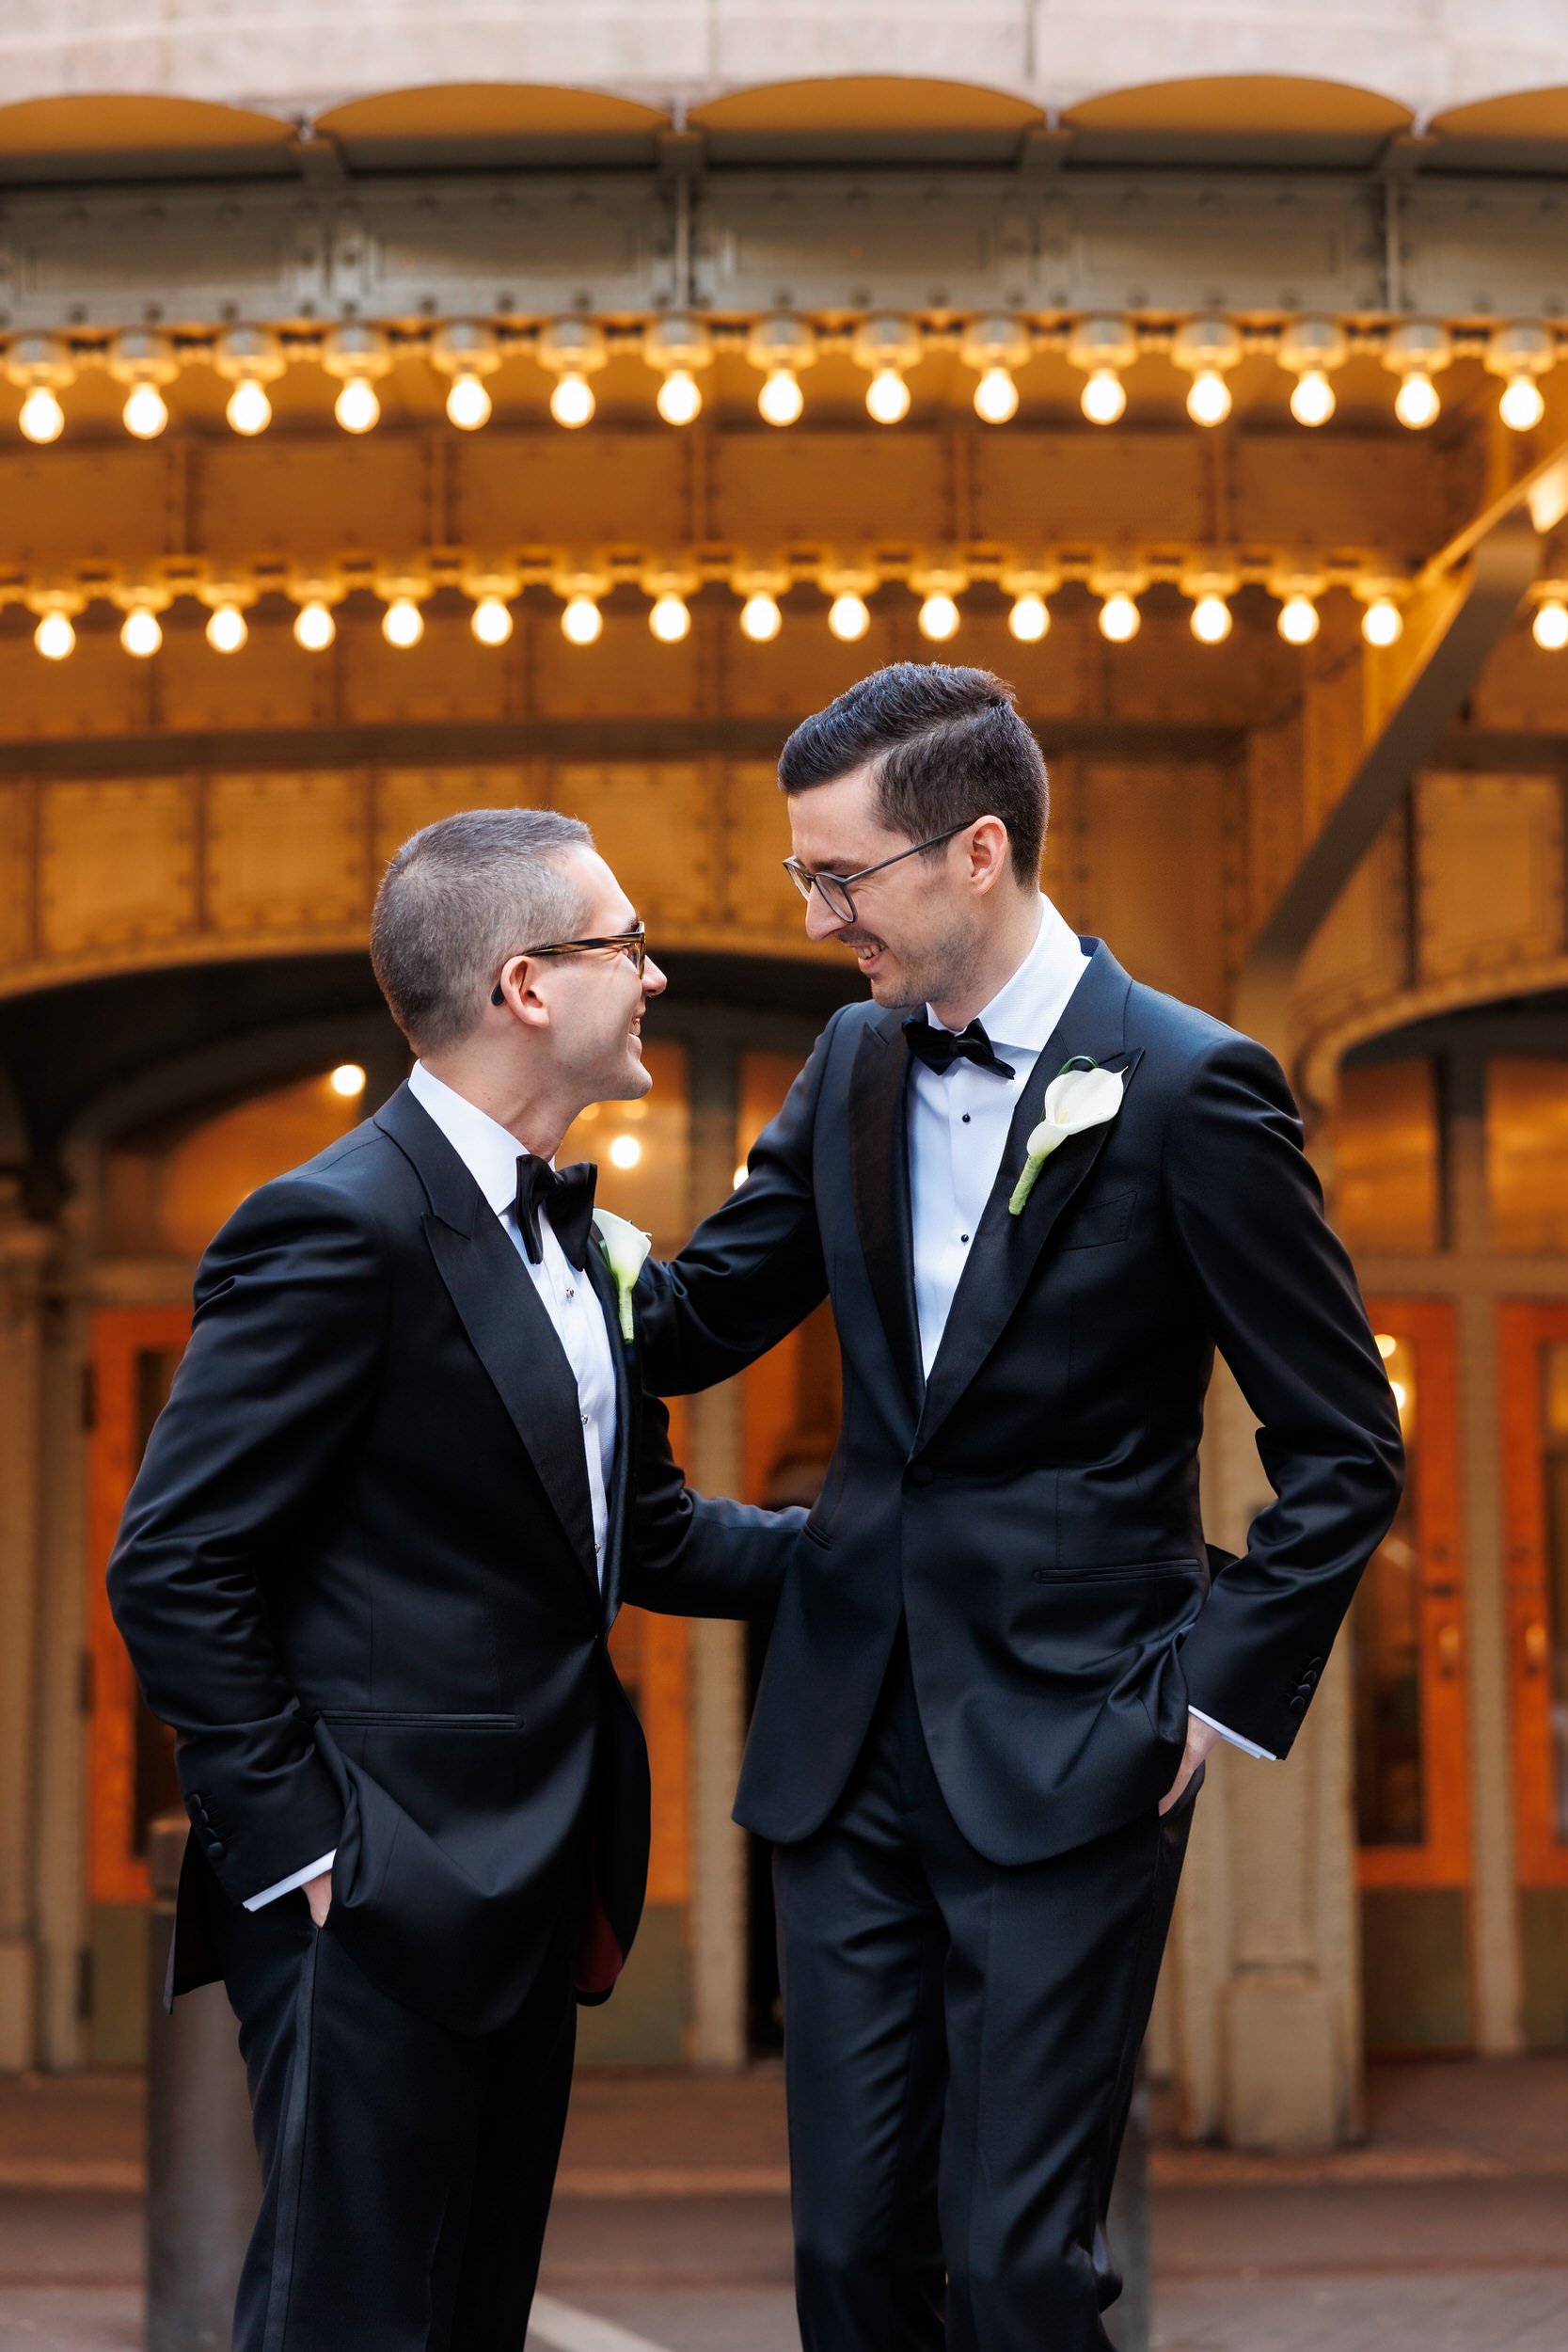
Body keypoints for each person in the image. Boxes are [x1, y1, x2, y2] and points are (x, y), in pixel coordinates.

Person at [632, 663, 1405, 2351]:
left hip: (1076, 1739)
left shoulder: (1195, 1086)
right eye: (803, 878)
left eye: (843, 877)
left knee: (1016, 2268)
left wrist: (1207, 1696)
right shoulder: (849, 1060)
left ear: (976, 851)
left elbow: (1348, 1445)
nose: (819, 919)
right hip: (845, 1740)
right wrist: (514, 1196)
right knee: (850, 2263)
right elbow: (689, 1325)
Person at [107, 807, 799, 2352]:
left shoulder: (583, 1242)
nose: (655, 975)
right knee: (350, 2322)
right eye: (626, 945)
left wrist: (896, 1557)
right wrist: (307, 1847)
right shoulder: (332, 1224)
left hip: (534, 1885)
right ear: (525, 986)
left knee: (470, 2320)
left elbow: (647, 1534)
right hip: (373, 1892)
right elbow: (174, 1560)